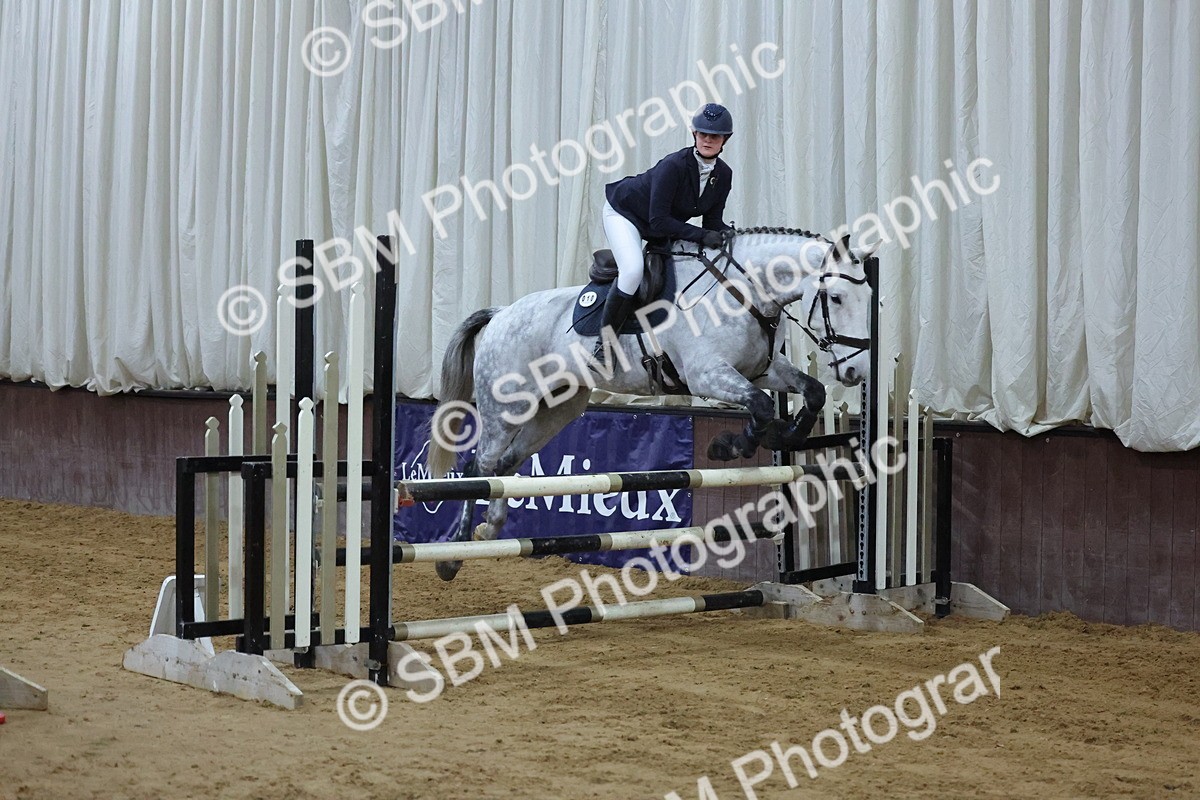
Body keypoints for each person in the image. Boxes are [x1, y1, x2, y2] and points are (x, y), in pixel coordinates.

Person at [592, 102, 735, 367]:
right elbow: (659, 221)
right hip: (625, 212)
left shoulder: (723, 174)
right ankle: (604, 345)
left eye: (714, 136)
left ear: (724, 139)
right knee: (633, 270)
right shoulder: (674, 165)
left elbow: (712, 221)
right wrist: (703, 236)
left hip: (658, 223)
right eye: (703, 134)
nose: (707, 139)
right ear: (694, 134)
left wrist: (728, 234)